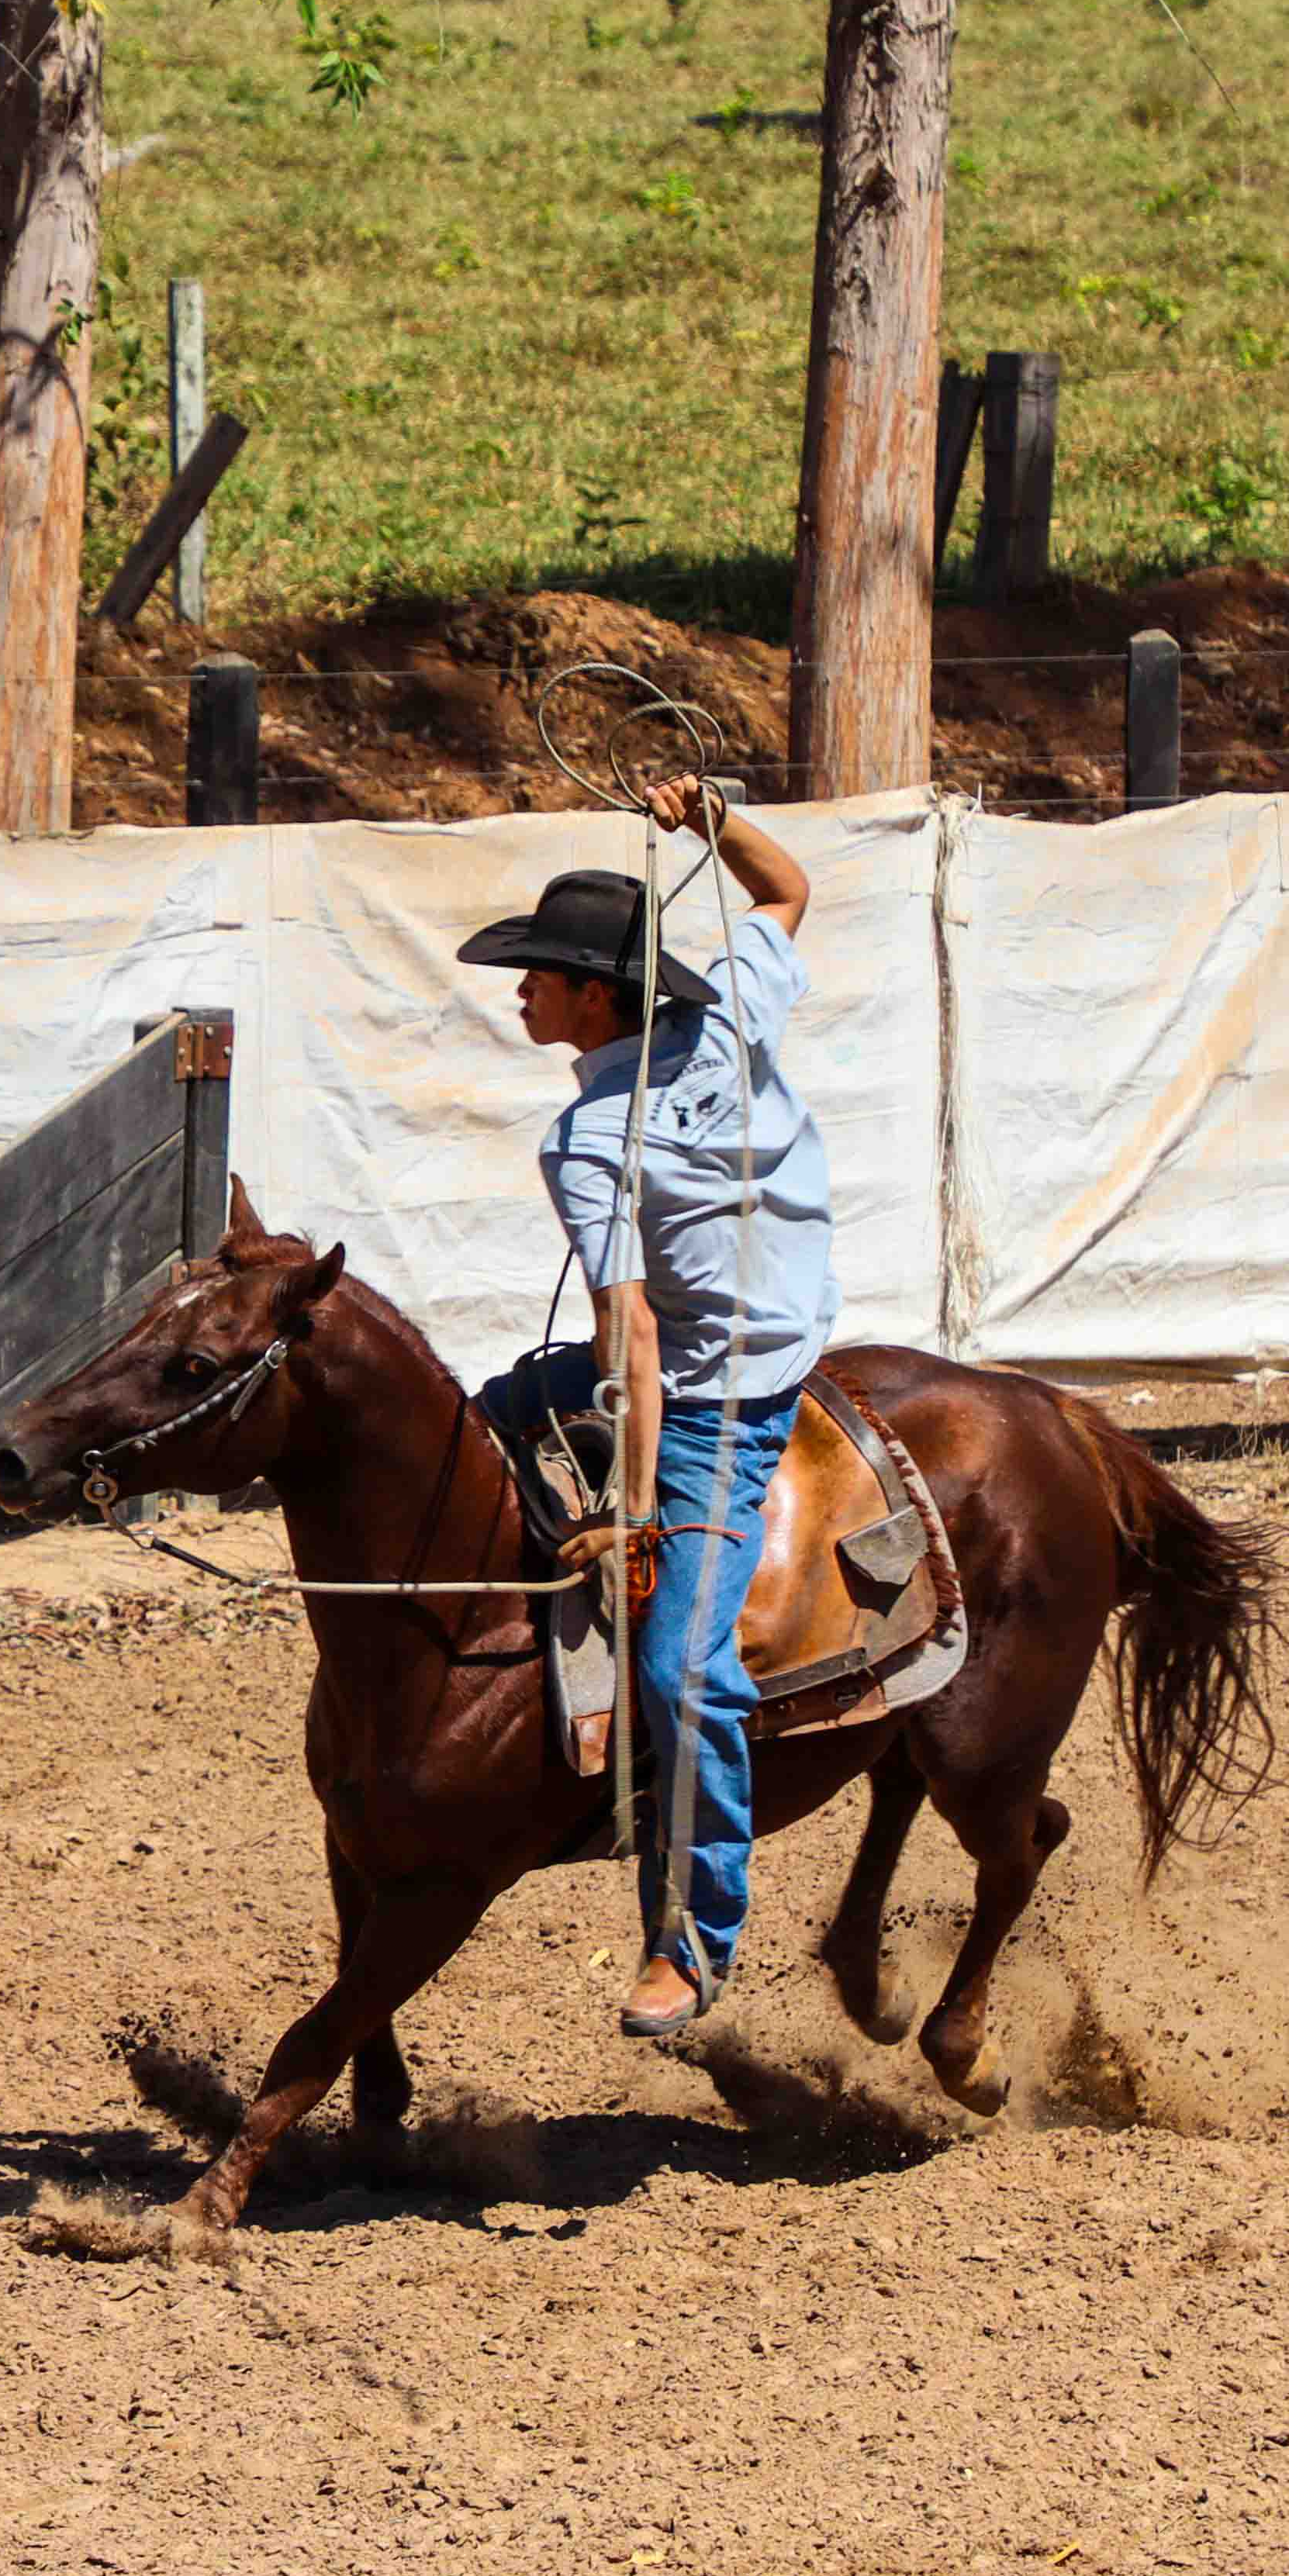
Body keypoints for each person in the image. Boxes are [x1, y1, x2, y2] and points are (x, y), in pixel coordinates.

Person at [458, 775, 839, 2042]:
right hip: (771, 1332)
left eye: (539, 974)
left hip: (723, 1393)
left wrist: (634, 1507)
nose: (520, 991)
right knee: (485, 1422)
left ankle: (693, 1933)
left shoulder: (588, 1140)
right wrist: (713, 820)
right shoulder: (727, 1012)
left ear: (596, 997)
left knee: (684, 1664)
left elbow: (633, 1332)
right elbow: (786, 889)